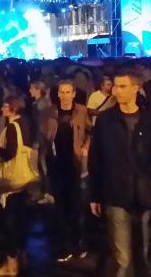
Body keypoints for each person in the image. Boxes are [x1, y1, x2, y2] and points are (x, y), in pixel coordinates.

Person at [88, 69, 151, 277]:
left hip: (143, 193)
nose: (116, 91)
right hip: (116, 193)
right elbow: (97, 158)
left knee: (141, 253)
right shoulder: (106, 120)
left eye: (122, 86)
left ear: (135, 88)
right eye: (115, 86)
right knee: (122, 259)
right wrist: (95, 194)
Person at [46, 80, 91, 263]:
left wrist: (86, 147)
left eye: (68, 92)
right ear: (58, 94)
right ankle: (65, 245)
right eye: (62, 92)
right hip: (57, 165)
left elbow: (90, 131)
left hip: (75, 164)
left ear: (73, 94)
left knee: (77, 207)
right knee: (60, 208)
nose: (64, 95)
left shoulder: (81, 111)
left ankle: (79, 242)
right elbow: (44, 136)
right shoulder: (50, 112)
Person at [0, 95, 35, 276]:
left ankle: (11, 265)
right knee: (21, 220)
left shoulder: (12, 127)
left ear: (13, 108)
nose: (2, 109)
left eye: (5, 106)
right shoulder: (25, 124)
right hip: (24, 180)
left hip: (13, 180)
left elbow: (10, 152)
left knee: (11, 222)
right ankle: (22, 258)